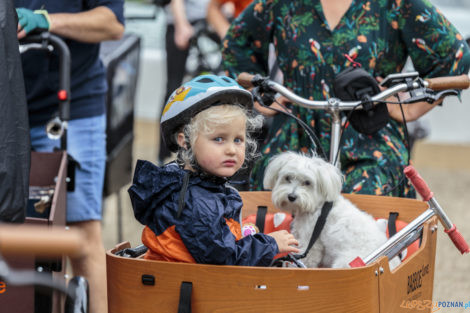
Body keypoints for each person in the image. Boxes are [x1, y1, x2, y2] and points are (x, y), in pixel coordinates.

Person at [221, 0, 470, 196]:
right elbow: (236, 42)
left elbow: (454, 55)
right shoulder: (282, 3)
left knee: (370, 208)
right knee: (275, 206)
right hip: (297, 134)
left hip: (371, 137)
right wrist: (260, 96)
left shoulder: (396, 3)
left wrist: (411, 107)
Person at [15, 1, 124, 312]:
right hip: (10, 105)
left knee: (80, 230)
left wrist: (46, 21)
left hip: (70, 107)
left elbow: (112, 24)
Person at [129, 75, 299, 265]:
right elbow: (224, 258)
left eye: (238, 140)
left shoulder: (199, 186)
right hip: (190, 289)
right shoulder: (196, 202)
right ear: (184, 140)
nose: (231, 149)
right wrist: (270, 244)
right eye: (218, 139)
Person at [158, 0, 211, 165]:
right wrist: (181, 23)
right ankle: (164, 152)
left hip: (208, 20)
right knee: (173, 89)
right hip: (181, 23)